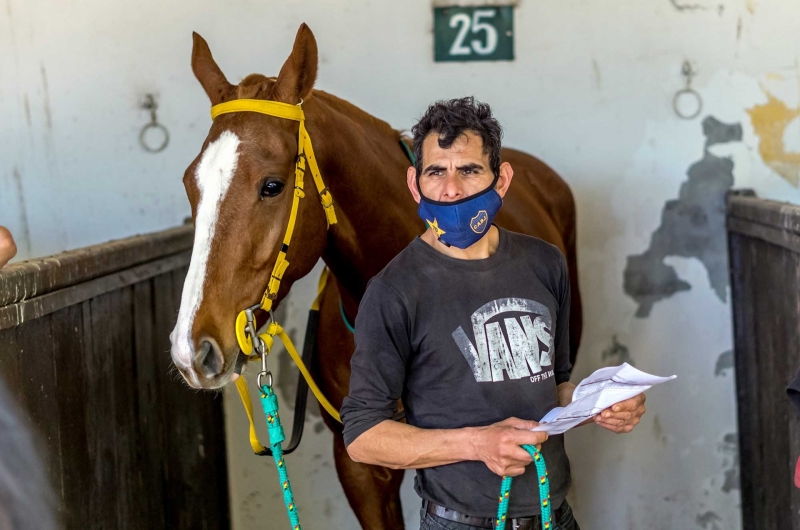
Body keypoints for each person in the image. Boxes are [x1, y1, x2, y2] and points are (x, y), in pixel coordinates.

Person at [341, 97, 646, 530]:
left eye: (468, 170)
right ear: (414, 184)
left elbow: (549, 385)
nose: (451, 190)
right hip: (459, 523)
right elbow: (363, 437)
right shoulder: (394, 291)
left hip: (554, 515)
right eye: (436, 172)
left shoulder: (544, 262)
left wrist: (596, 402)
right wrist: (477, 444)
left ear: (500, 179)